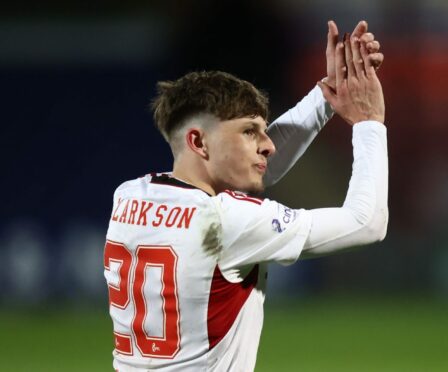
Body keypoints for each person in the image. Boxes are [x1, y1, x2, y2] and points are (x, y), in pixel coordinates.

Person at [103, 20, 387, 371]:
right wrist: (369, 122)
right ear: (198, 142)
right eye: (249, 132)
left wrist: (327, 95)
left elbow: (244, 172)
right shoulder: (226, 220)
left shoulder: (130, 196)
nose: (267, 146)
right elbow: (367, 223)